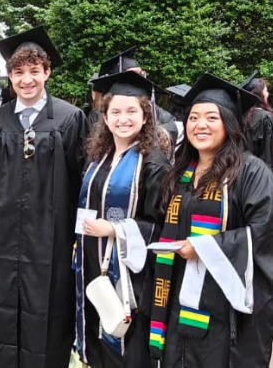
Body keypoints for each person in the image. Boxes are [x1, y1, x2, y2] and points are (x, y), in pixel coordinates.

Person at [0, 26, 89, 368]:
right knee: (3, 314)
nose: (27, 80)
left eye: (34, 72)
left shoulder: (70, 119)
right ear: (10, 76)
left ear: (47, 72)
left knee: (48, 313)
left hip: (50, 241)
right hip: (3, 240)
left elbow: (80, 181)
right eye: (19, 72)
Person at [149, 74, 273, 368]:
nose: (200, 125)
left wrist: (206, 248)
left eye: (211, 117)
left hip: (225, 312)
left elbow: (265, 232)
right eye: (193, 117)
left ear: (228, 124)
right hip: (178, 302)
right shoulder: (180, 174)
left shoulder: (251, 173)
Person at [74, 71, 171, 368]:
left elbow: (162, 222)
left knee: (125, 341)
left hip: (130, 275)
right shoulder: (99, 155)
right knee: (98, 333)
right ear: (105, 116)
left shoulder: (154, 160)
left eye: (132, 111)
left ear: (146, 116)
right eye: (115, 111)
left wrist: (115, 229)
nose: (123, 119)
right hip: (92, 262)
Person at [239, 71, 273, 168]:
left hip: (240, 167)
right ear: (259, 94)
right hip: (260, 170)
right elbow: (267, 154)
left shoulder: (241, 115)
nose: (267, 94)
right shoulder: (264, 117)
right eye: (266, 90)